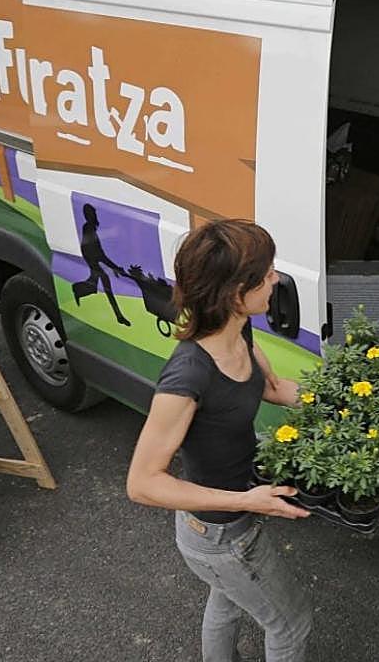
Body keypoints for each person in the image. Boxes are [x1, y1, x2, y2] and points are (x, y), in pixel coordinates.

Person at [126, 219, 313, 662]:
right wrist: (251, 501)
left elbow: (272, 388)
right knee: (290, 624)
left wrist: (341, 403)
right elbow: (142, 483)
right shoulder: (189, 375)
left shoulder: (240, 331)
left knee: (227, 601)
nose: (276, 279)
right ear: (235, 293)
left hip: (226, 526)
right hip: (219, 534)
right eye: (266, 273)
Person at [72, 202, 131, 326]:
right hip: (91, 257)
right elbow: (97, 252)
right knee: (106, 286)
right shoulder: (88, 228)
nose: (94, 215)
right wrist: (114, 267)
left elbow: (99, 251)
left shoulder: (90, 228)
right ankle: (119, 316)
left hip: (92, 257)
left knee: (94, 285)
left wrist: (113, 267)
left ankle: (78, 289)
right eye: (92, 214)